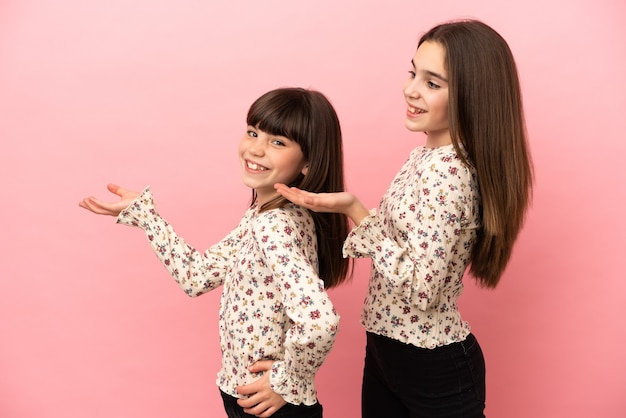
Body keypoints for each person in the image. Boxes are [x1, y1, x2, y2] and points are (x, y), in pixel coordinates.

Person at [275, 20, 533, 418]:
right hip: (387, 349)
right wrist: (348, 208)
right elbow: (414, 235)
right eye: (413, 73)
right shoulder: (424, 157)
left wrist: (356, 212)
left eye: (433, 83)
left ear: (472, 95)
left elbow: (421, 289)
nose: (410, 89)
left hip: (432, 365)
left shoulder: (450, 174)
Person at [79, 87, 351, 418]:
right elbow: (197, 276)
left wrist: (287, 380)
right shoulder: (263, 217)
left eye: (277, 142)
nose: (256, 148)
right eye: (253, 132)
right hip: (245, 396)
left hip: (267, 406)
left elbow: (319, 321)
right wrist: (146, 216)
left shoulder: (274, 226)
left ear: (308, 162)